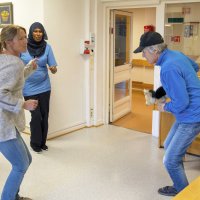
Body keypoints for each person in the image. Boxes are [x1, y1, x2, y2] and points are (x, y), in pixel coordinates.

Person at [134, 31, 200, 197]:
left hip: (192, 116)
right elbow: (195, 67)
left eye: (144, 51)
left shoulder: (168, 67)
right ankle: (180, 186)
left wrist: (165, 107)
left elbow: (182, 103)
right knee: (170, 146)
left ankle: (184, 193)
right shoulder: (175, 55)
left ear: (155, 50)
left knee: (170, 160)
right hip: (188, 114)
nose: (142, 55)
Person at [0, 25, 38, 200]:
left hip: (8, 121)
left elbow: (13, 81)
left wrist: (29, 68)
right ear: (9, 41)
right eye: (21, 38)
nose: (26, 41)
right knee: (21, 164)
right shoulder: (14, 63)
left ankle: (13, 196)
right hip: (3, 124)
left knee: (26, 160)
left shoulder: (6, 59)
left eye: (25, 37)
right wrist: (23, 104)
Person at [21, 22, 58, 153]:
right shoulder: (23, 48)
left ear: (43, 33)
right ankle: (35, 143)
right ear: (31, 33)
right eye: (35, 31)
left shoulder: (47, 47)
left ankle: (42, 142)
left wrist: (53, 69)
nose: (38, 34)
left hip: (44, 87)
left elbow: (54, 69)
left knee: (44, 115)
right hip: (28, 88)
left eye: (40, 31)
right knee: (36, 116)